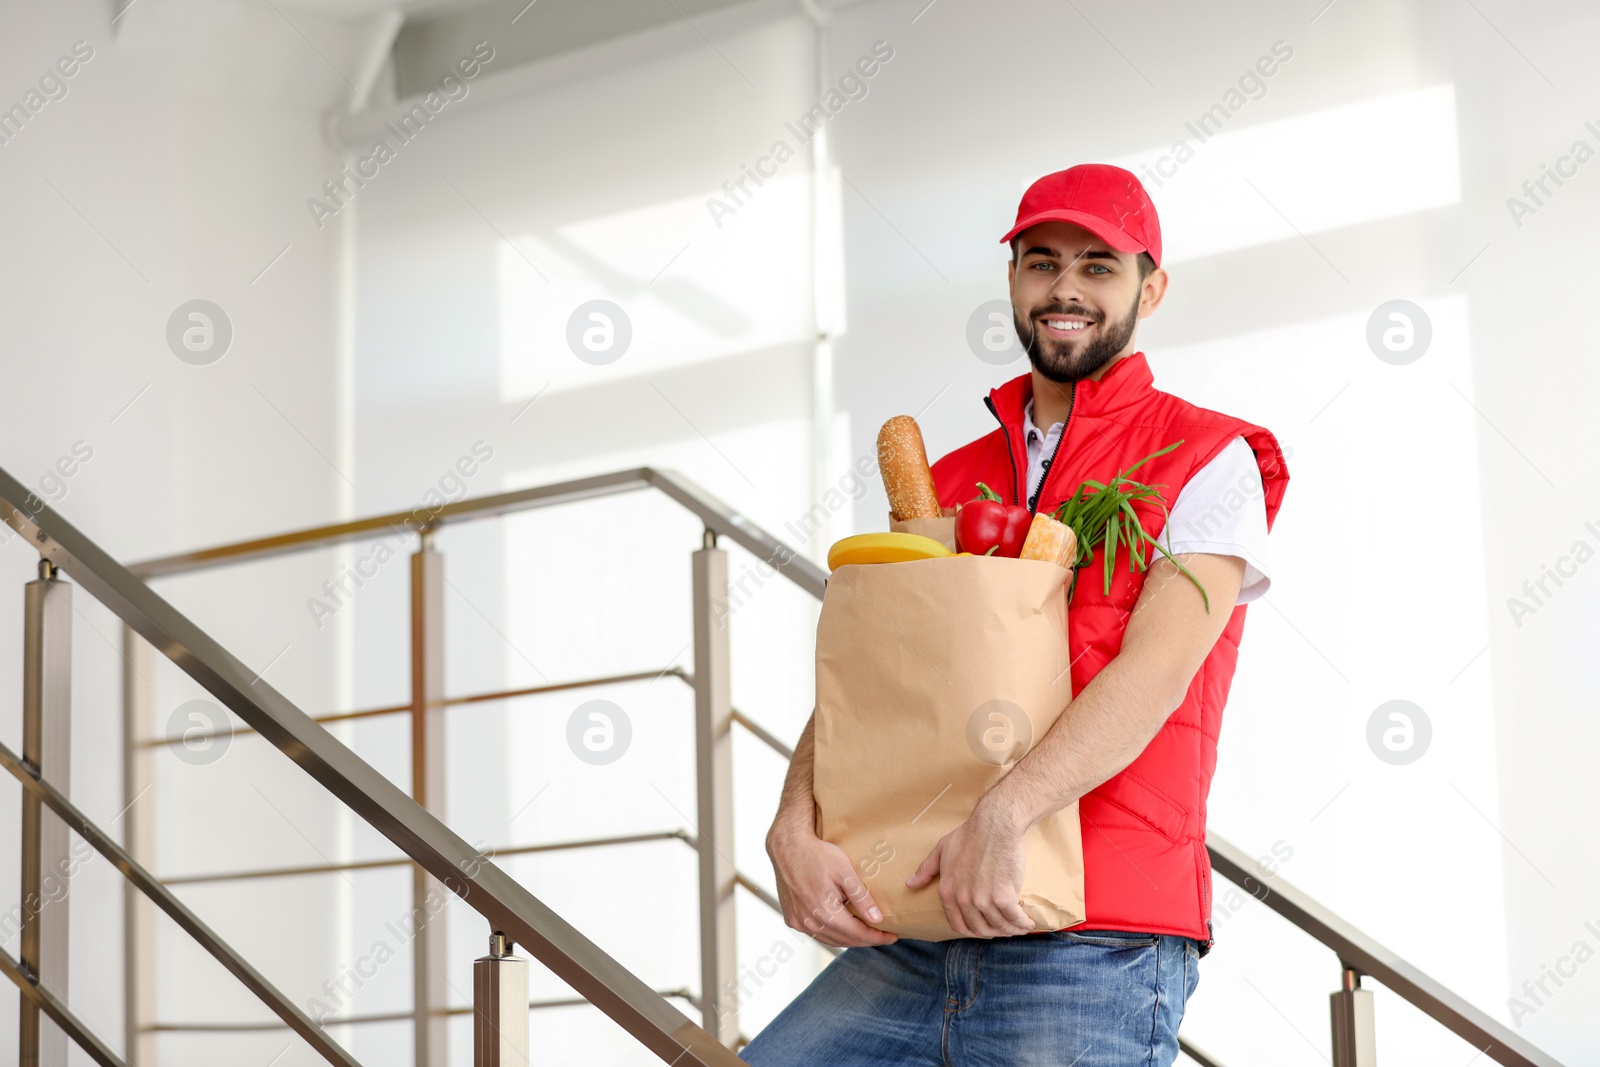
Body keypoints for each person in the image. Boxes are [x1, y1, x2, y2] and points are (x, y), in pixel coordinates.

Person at [741, 163, 1291, 1066]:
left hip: (1095, 935)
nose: (1065, 287)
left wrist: (1005, 816)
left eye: (1098, 266)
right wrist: (792, 820)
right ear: (1012, 281)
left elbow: (1155, 672)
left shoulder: (1206, 457)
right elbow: (877, 676)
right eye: (1042, 262)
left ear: (1151, 288)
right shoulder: (945, 482)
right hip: (917, 925)